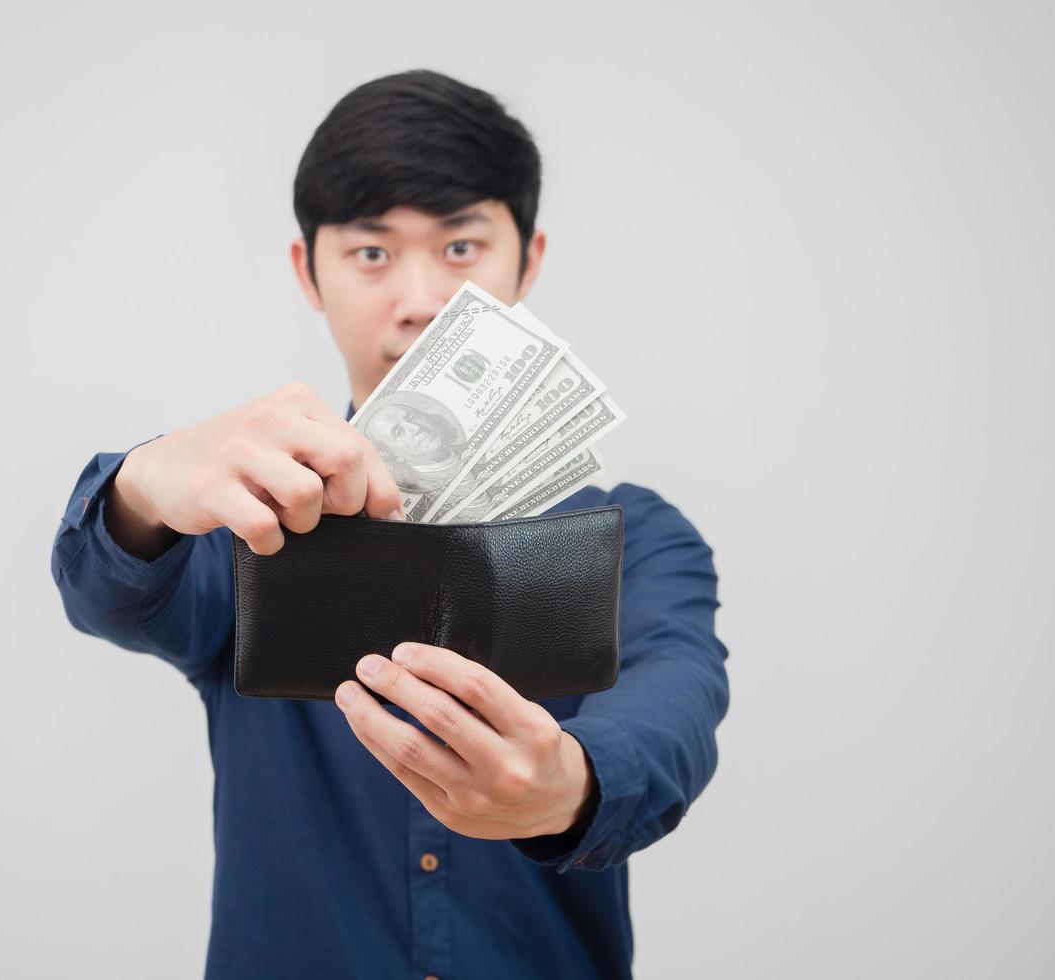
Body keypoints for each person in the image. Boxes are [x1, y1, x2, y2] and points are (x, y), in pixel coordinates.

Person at [50, 69, 730, 980]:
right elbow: (110, 597)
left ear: (526, 260)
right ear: (309, 272)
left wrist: (568, 785)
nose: (419, 299)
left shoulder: (636, 536)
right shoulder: (240, 521)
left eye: (460, 248)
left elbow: (674, 703)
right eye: (371, 253)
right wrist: (142, 482)